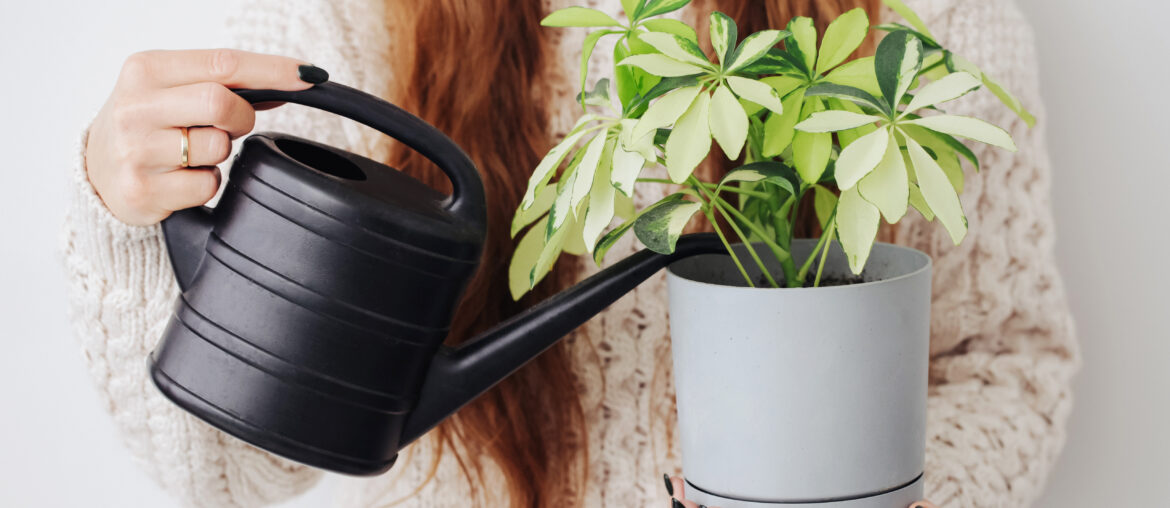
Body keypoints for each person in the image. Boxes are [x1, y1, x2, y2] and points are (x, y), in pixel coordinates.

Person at [62, 0, 1078, 506]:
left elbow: (1007, 367)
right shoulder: (356, 20)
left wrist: (852, 496)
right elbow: (233, 467)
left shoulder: (928, 25)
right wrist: (130, 214)